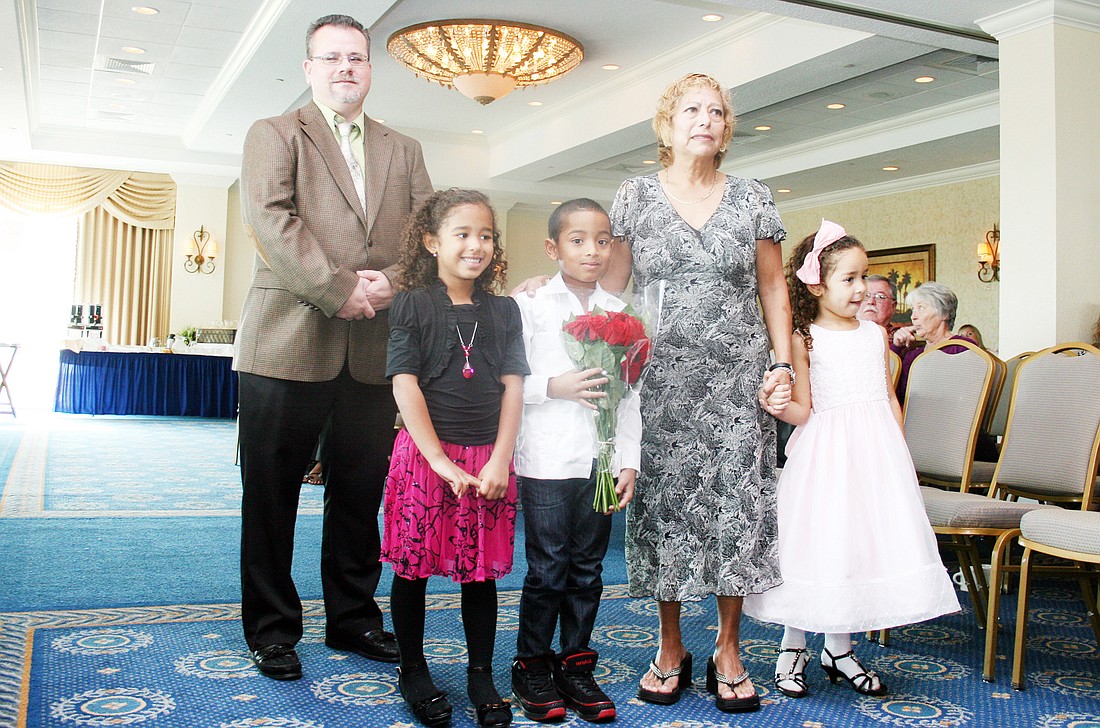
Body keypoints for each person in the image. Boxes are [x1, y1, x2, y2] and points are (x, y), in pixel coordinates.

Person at [236, 13, 434, 681]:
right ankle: (271, 631)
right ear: (310, 68)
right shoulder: (274, 133)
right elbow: (272, 220)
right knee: (271, 497)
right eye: (333, 57)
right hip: (286, 342)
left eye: (358, 56)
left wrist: (390, 286)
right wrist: (338, 289)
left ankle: (352, 620)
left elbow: (428, 238)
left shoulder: (403, 148)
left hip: (374, 348)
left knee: (358, 494)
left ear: (371, 68)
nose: (346, 66)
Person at [608, 73, 792, 714]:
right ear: (667, 125)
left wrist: (783, 363)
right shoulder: (633, 197)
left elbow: (774, 289)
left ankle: (729, 648)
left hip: (737, 382)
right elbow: (613, 290)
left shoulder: (752, 199)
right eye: (692, 110)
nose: (706, 120)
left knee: (735, 510)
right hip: (659, 383)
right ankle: (669, 645)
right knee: (666, 513)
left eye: (717, 112)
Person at [746, 221, 958, 699]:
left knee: (857, 545)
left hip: (874, 455)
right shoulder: (805, 337)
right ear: (816, 284)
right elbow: (804, 409)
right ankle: (793, 644)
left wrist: (898, 454)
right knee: (819, 544)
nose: (862, 288)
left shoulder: (873, 335)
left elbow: (887, 398)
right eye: (850, 278)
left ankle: (839, 649)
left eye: (865, 276)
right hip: (825, 455)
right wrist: (778, 405)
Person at [381, 188, 528, 728]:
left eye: (486, 235)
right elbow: (405, 385)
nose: (476, 245)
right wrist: (441, 463)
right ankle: (413, 669)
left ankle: (480, 673)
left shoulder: (504, 310)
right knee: (412, 568)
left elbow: (513, 387)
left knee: (480, 574)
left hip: (488, 458)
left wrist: (499, 460)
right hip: (426, 459)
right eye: (462, 234)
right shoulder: (413, 303)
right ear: (431, 241)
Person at [510, 199, 640, 723]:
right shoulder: (531, 304)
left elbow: (631, 394)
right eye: (578, 240)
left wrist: (627, 460)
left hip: (601, 460)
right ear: (553, 248)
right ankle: (533, 665)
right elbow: (509, 380)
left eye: (602, 240)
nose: (592, 250)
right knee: (547, 567)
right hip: (545, 457)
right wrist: (553, 387)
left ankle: (577, 663)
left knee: (588, 569)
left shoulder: (623, 312)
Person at [891, 281, 970, 400]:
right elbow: (892, 395)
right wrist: (896, 347)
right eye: (913, 309)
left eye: (921, 308)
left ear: (945, 314)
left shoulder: (962, 348)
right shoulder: (912, 356)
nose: (913, 316)